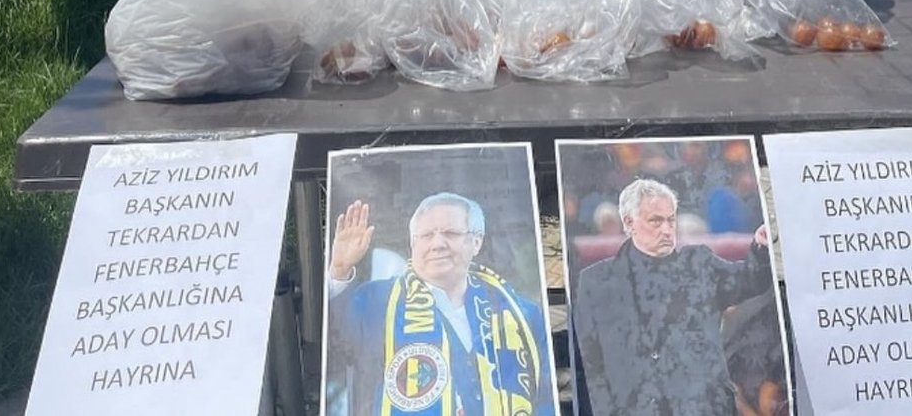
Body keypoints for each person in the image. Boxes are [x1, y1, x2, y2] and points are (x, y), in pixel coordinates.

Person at [326, 193, 556, 416]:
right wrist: (340, 269)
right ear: (413, 244)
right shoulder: (376, 301)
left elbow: (545, 398)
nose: (438, 244)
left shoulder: (521, 315)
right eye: (426, 235)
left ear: (476, 242)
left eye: (451, 233)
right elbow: (337, 343)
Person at [572, 177, 775, 416]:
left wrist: (760, 248)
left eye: (670, 220)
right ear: (629, 222)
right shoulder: (596, 282)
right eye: (656, 221)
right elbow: (590, 363)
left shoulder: (699, 265)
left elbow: (750, 280)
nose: (667, 230)